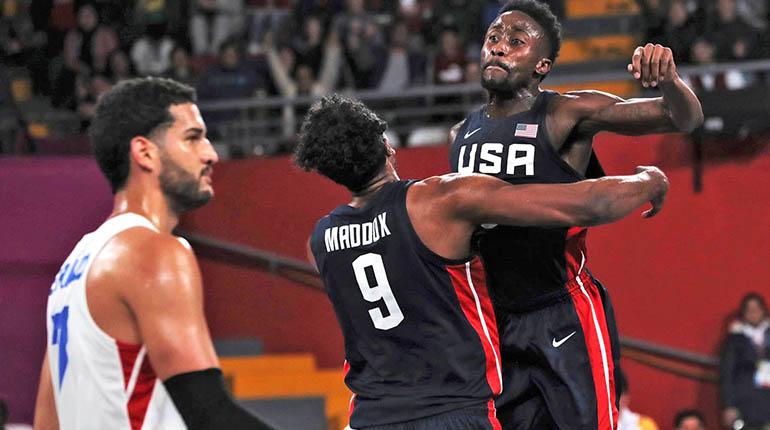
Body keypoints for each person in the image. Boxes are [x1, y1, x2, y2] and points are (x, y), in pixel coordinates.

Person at [297, 94, 669, 430]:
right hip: (454, 411)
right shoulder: (441, 202)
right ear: (386, 145)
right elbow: (584, 204)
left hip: (368, 418)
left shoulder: (321, 240)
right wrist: (646, 181)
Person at [447, 1, 703, 429]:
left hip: (563, 311)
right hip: (498, 320)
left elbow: (683, 118)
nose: (498, 48)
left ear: (542, 65)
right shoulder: (460, 134)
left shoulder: (566, 112)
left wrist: (672, 82)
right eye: (493, 38)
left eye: (515, 42)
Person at [32, 77, 273, 430]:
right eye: (193, 137)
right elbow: (209, 414)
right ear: (144, 152)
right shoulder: (155, 252)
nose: (211, 154)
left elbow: (46, 424)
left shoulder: (72, 270)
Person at [720, 293, 770, 430]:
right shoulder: (734, 339)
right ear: (743, 313)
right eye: (749, 310)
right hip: (746, 405)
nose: (753, 313)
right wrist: (729, 405)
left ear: (764, 311)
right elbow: (727, 374)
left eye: (757, 309)